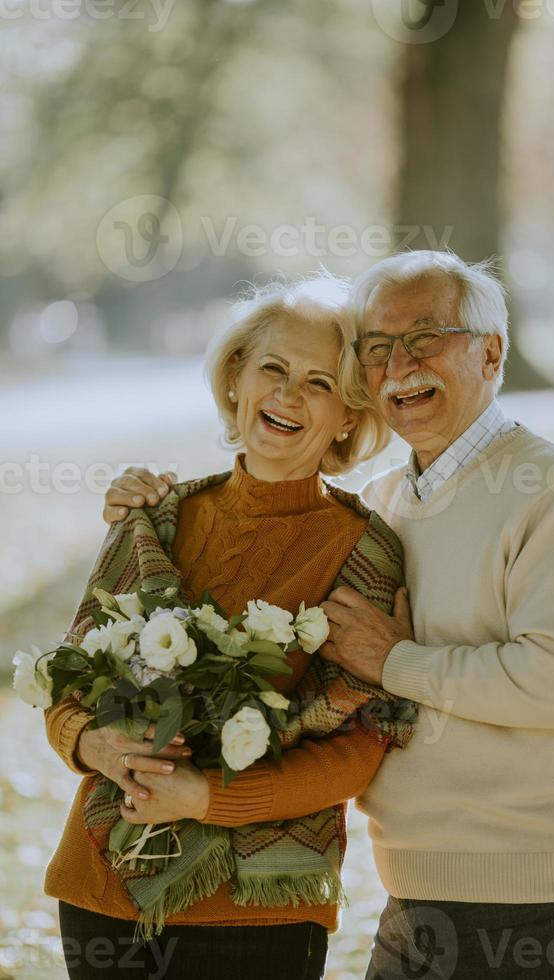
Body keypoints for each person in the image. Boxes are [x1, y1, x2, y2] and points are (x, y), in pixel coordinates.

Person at [107, 250, 554, 979]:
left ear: (492, 351)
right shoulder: (385, 507)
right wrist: (144, 513)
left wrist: (395, 661)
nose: (399, 366)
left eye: (425, 338)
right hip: (415, 895)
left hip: (542, 902)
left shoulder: (551, 490)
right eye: (377, 348)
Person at [43, 274, 414, 980]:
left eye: (319, 382)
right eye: (272, 368)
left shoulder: (365, 551)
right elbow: (66, 683)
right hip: (103, 882)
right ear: (236, 377)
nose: (287, 394)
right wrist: (94, 744)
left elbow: (362, 745)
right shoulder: (155, 519)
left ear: (347, 416)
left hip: (256, 909)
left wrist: (210, 799)